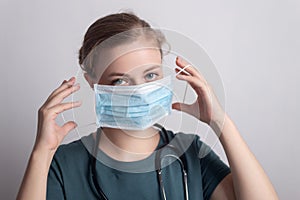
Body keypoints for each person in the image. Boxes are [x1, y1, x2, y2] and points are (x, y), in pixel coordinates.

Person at [17, 12, 279, 200]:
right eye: (119, 80)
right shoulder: (62, 164)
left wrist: (221, 123)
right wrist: (42, 153)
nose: (138, 91)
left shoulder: (190, 156)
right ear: (93, 82)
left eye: (151, 75)